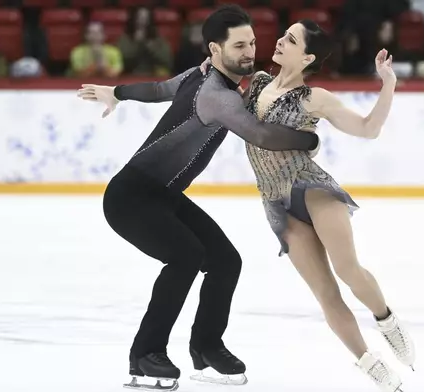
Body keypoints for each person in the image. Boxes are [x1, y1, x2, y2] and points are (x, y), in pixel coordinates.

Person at [76, 5, 319, 391]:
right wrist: (311, 139)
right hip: (131, 198)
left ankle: (207, 347)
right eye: (239, 45)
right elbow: (262, 135)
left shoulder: (199, 73)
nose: (250, 52)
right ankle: (145, 354)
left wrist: (118, 92)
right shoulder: (217, 95)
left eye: (252, 43)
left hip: (162, 195)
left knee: (225, 261)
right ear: (215, 48)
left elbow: (159, 89)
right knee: (186, 256)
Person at [235, 20, 415, 392]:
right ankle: (370, 363)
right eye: (283, 35)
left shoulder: (314, 97)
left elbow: (368, 129)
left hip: (310, 187)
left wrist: (388, 84)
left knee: (347, 268)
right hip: (275, 202)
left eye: (292, 40)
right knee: (325, 292)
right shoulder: (255, 84)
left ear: (308, 57)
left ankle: (386, 319)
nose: (281, 41)